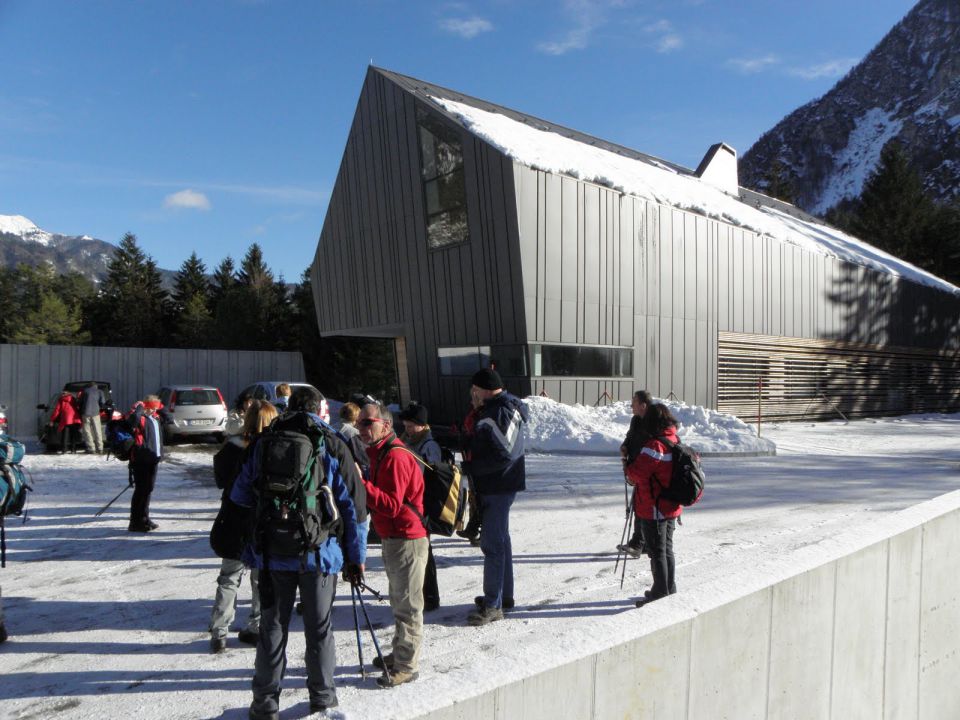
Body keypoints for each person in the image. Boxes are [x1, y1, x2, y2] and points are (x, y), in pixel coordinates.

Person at [231, 386, 364, 719]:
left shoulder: (265, 442)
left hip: (272, 553)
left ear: (289, 407)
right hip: (318, 555)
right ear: (319, 409)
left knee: (272, 628)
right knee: (319, 629)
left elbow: (239, 494)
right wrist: (355, 558)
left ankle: (265, 703)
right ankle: (322, 697)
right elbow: (354, 509)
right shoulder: (330, 444)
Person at [359, 400, 428, 688]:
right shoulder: (380, 453)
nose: (361, 428)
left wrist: (359, 483)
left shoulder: (394, 457)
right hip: (395, 537)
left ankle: (406, 665)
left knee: (409, 606)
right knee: (399, 600)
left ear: (385, 426)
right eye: (360, 422)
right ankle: (399, 653)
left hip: (407, 538)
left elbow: (389, 504)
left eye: (367, 423)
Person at [208, 400, 275, 653]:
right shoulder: (273, 449)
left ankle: (219, 630)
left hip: (234, 519)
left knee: (229, 577)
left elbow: (219, 480)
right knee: (260, 578)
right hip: (262, 521)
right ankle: (256, 626)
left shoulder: (231, 449)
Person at [463, 369, 528, 626]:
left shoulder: (502, 410)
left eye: (475, 390)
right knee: (501, 541)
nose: (473, 395)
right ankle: (502, 597)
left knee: (493, 545)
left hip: (499, 486)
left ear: (484, 389)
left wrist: (473, 466)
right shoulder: (493, 409)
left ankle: (493, 605)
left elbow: (507, 452)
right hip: (494, 485)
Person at [625, 403, 682, 607]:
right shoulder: (673, 439)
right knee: (666, 548)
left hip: (654, 505)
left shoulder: (655, 445)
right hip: (671, 505)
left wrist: (627, 464)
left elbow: (635, 475)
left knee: (657, 551)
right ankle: (668, 587)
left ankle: (660, 592)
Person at [399, 401, 442, 612]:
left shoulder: (429, 446)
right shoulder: (408, 441)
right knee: (416, 552)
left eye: (410, 426)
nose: (406, 430)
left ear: (422, 425)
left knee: (424, 552)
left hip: (423, 504)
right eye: (405, 426)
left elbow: (427, 476)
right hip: (411, 504)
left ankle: (430, 596)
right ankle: (421, 594)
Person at [617, 390, 653, 558]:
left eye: (634, 403)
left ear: (643, 405)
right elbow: (630, 438)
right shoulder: (636, 421)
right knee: (638, 506)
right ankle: (642, 543)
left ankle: (638, 543)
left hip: (648, 470)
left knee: (642, 506)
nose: (631, 406)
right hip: (636, 468)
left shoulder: (654, 422)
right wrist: (624, 446)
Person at [128, 395, 164, 532]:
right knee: (141, 490)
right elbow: (132, 422)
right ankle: (135, 522)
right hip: (141, 459)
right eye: (151, 408)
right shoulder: (140, 417)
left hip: (153, 458)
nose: (153, 410)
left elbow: (169, 418)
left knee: (148, 490)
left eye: (156, 408)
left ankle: (144, 518)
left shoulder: (154, 418)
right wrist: (140, 408)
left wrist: (160, 408)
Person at [455, 400, 483, 545]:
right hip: (471, 459)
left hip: (479, 462)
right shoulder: (473, 412)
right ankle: (474, 530)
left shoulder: (483, 414)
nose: (472, 399)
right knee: (474, 497)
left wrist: (468, 437)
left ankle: (477, 531)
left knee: (479, 498)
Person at [79, 382, 105, 454]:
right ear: (96, 386)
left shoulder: (85, 391)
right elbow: (102, 403)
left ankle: (91, 448)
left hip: (85, 413)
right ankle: (100, 448)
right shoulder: (100, 392)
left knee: (87, 431)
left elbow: (80, 402)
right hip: (96, 413)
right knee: (97, 430)